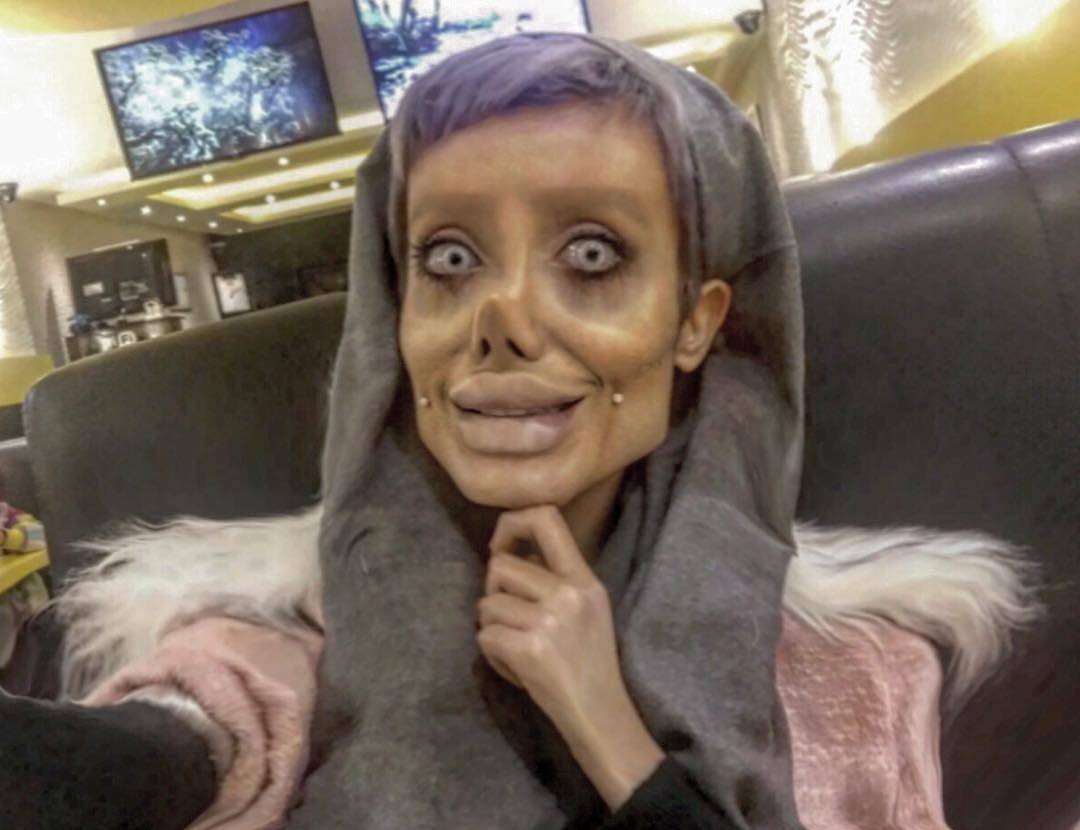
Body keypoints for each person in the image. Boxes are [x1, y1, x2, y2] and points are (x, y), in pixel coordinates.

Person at [6, 33, 1039, 830]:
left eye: (591, 254)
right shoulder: (267, 637)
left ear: (696, 321)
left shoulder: (857, 669)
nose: (500, 320)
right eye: (450, 261)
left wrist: (607, 723)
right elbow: (158, 748)